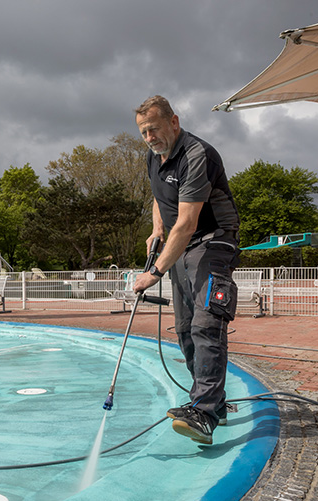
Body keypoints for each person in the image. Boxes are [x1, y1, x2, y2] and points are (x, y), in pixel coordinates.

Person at [132, 95, 240, 445]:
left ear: (174, 122)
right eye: (143, 132)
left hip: (213, 240)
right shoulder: (154, 157)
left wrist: (154, 273)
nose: (149, 137)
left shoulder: (197, 155)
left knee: (206, 323)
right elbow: (159, 197)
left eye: (154, 129)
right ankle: (213, 404)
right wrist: (156, 230)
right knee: (184, 330)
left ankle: (204, 413)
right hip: (181, 245)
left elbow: (188, 222)